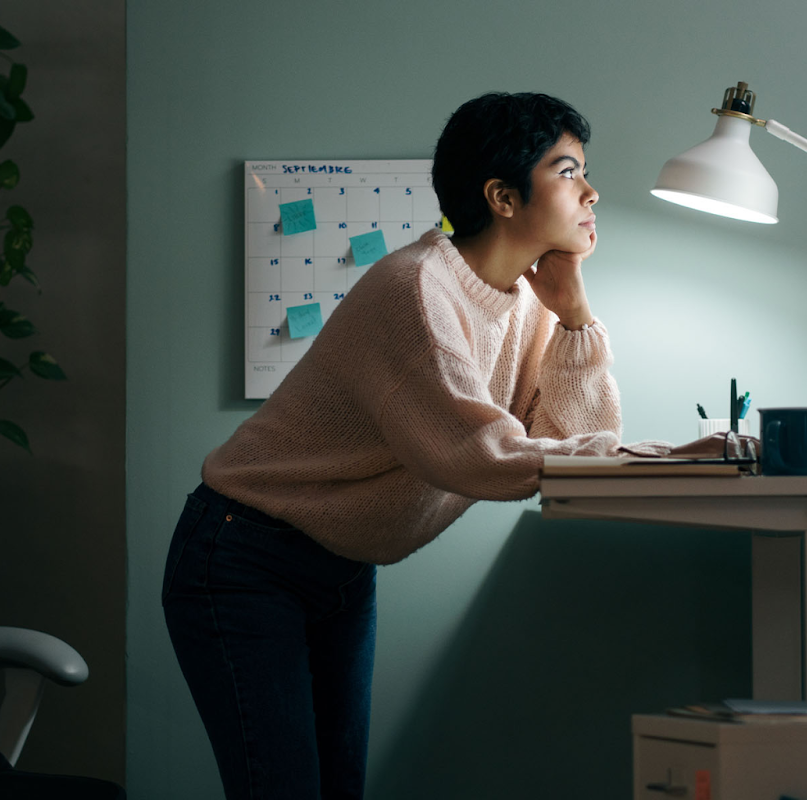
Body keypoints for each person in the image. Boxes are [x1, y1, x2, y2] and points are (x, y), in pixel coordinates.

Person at [162, 92, 624, 800]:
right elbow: (478, 455)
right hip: (244, 555)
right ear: (502, 196)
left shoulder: (529, 307)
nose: (591, 191)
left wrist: (574, 317)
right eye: (568, 172)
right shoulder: (416, 287)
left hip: (340, 568)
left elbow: (574, 444)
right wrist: (644, 458)